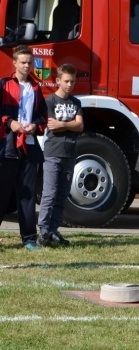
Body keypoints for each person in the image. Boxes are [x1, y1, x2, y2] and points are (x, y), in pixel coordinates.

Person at [0, 45, 48, 251]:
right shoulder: (4, 84)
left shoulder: (36, 88)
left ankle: (29, 238)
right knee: (2, 192)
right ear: (14, 63)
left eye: (29, 62)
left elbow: (43, 116)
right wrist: (9, 123)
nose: (27, 66)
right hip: (8, 146)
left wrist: (35, 126)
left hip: (29, 146)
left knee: (27, 194)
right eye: (23, 62)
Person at [38, 63, 83, 247]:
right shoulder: (50, 101)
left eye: (72, 82)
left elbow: (80, 126)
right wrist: (70, 124)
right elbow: (51, 126)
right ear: (58, 80)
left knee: (62, 195)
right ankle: (43, 232)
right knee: (49, 193)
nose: (69, 85)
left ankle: (54, 230)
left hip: (70, 153)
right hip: (53, 153)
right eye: (66, 81)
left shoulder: (76, 102)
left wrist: (63, 124)